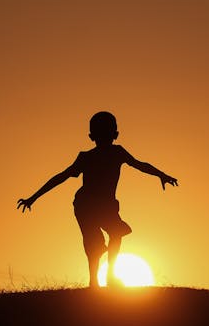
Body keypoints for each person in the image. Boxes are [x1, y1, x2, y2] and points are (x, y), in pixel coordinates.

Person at [17, 111, 178, 289]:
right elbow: (61, 177)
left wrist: (160, 175)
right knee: (95, 244)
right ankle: (96, 280)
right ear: (99, 136)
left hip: (106, 206)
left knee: (113, 234)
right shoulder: (87, 157)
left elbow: (141, 165)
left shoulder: (116, 153)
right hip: (86, 206)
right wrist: (33, 198)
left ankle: (109, 277)